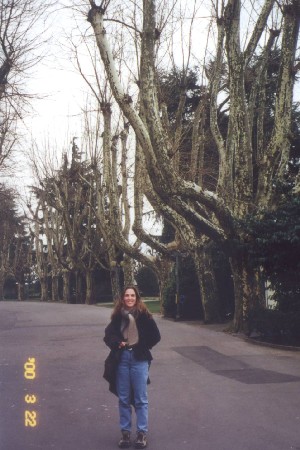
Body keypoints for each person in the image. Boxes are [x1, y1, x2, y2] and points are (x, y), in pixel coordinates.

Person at [104, 285, 161, 449]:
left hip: (139, 360)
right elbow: (108, 335)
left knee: (140, 399)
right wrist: (117, 343)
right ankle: (125, 433)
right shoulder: (117, 317)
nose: (129, 298)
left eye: (132, 296)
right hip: (122, 359)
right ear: (123, 298)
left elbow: (156, 336)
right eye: (127, 296)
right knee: (123, 398)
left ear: (136, 298)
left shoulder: (144, 316)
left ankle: (142, 433)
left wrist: (142, 346)